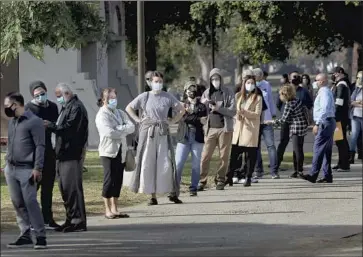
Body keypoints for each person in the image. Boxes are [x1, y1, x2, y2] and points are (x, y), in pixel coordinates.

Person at [126, 71, 185, 205]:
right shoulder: (145, 96)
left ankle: (171, 192)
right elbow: (129, 107)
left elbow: (181, 110)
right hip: (148, 132)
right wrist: (137, 120)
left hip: (163, 131)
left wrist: (172, 121)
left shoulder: (167, 97)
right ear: (151, 82)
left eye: (159, 81)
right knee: (148, 162)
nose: (157, 84)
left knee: (165, 161)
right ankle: (152, 196)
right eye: (155, 81)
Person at [3, 92, 47, 249]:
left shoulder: (34, 122)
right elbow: (10, 144)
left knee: (30, 202)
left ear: (16, 104)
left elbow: (40, 146)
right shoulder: (12, 122)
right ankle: (25, 234)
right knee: (17, 202)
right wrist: (6, 163)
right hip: (11, 168)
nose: (6, 109)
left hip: (27, 169)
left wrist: (37, 168)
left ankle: (40, 236)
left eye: (7, 106)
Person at [45, 83, 88, 232]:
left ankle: (78, 221)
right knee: (65, 189)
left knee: (72, 189)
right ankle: (70, 219)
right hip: (63, 154)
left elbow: (69, 129)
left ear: (67, 93)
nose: (58, 100)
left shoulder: (76, 107)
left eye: (59, 96)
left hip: (71, 154)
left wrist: (50, 126)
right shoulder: (67, 107)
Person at [95, 88, 135, 219]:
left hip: (121, 150)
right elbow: (108, 133)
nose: (113, 100)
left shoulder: (120, 113)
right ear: (104, 100)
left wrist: (119, 129)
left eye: (114, 97)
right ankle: (107, 209)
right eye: (110, 98)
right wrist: (122, 130)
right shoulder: (102, 115)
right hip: (108, 151)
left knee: (118, 179)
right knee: (109, 179)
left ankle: (115, 208)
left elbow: (132, 127)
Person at [25, 81, 60, 230]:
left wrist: (50, 125)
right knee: (33, 187)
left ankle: (48, 219)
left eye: (42, 93)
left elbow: (57, 125)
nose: (40, 96)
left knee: (48, 186)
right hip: (34, 152)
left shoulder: (52, 107)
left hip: (48, 151)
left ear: (46, 91)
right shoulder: (28, 108)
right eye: (37, 95)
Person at [198, 68, 236, 191]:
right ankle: (202, 180)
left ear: (221, 79)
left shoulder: (228, 92)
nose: (215, 81)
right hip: (210, 129)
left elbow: (233, 111)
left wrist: (218, 108)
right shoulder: (207, 92)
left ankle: (220, 179)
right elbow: (201, 107)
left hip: (225, 129)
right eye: (213, 79)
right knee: (205, 156)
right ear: (210, 80)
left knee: (224, 156)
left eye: (217, 78)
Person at [226, 76, 263, 187]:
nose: (250, 84)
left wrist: (245, 112)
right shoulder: (238, 96)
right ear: (244, 83)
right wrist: (237, 114)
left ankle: (248, 177)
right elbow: (233, 110)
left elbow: (257, 114)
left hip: (249, 130)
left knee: (249, 156)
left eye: (252, 83)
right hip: (238, 129)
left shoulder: (258, 98)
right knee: (234, 155)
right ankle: (230, 176)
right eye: (248, 82)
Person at [300, 73, 336, 183]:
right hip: (328, 121)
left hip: (325, 122)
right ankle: (327, 175)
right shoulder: (325, 91)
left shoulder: (324, 92)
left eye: (317, 80)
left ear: (322, 81)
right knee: (326, 150)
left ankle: (313, 174)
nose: (315, 82)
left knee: (318, 148)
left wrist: (317, 124)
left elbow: (324, 109)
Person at [174, 81, 207, 196]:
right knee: (178, 164)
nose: (191, 92)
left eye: (193, 89)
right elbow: (183, 118)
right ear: (185, 91)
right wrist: (196, 118)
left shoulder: (202, 106)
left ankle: (193, 188)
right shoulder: (181, 105)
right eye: (188, 89)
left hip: (197, 137)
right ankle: (175, 188)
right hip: (184, 137)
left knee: (196, 165)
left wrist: (190, 115)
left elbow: (204, 120)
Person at [275, 85, 309, 178]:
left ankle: (299, 171)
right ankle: (297, 170)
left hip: (296, 127)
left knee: (297, 150)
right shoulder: (296, 100)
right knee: (298, 149)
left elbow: (284, 120)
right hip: (302, 125)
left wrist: (272, 122)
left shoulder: (289, 104)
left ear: (284, 94)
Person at [252, 68, 279, 180]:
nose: (259, 77)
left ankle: (274, 171)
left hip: (267, 119)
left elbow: (271, 100)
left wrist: (273, 114)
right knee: (256, 146)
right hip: (255, 120)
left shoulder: (266, 85)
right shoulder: (250, 85)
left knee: (271, 146)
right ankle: (259, 170)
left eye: (260, 76)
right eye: (257, 76)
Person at [331, 66, 351, 172]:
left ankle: (344, 164)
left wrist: (334, 115)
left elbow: (339, 102)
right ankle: (341, 162)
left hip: (339, 117)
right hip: (342, 116)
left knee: (340, 140)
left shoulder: (341, 85)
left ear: (340, 73)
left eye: (334, 73)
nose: (333, 75)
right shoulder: (342, 84)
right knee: (341, 140)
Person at [349, 70, 363, 164]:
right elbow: (350, 102)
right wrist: (359, 103)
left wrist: (356, 103)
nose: (357, 79)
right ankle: (351, 156)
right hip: (355, 116)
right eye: (357, 77)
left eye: (359, 77)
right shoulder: (356, 89)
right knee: (354, 136)